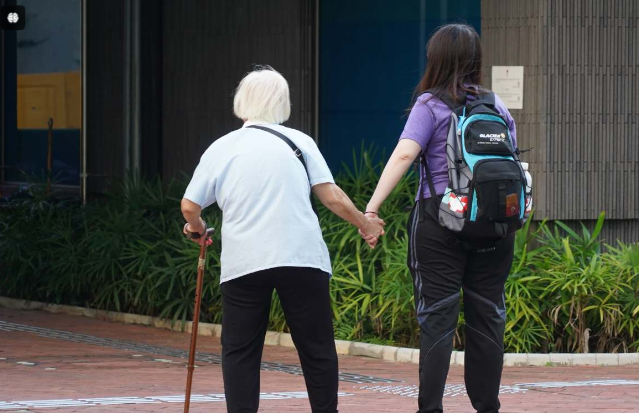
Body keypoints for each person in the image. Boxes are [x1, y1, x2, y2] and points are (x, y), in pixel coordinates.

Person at [180, 66, 385, 413]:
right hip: (301, 257)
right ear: (282, 103)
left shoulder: (222, 147)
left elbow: (189, 206)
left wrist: (197, 228)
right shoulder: (299, 141)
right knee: (317, 348)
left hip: (245, 262)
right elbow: (332, 197)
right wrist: (366, 225)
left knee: (240, 351)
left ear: (242, 102)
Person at [362, 24, 518, 413]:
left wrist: (372, 208)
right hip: (494, 223)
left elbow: (404, 154)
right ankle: (487, 407)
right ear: (476, 60)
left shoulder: (430, 105)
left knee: (437, 318)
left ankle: (430, 408)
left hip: (440, 221)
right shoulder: (495, 105)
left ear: (437, 59)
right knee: (488, 316)